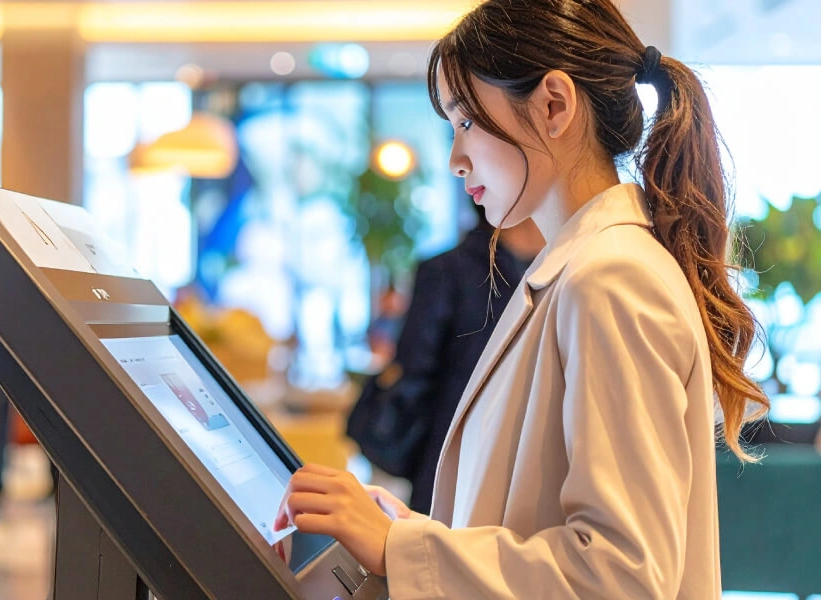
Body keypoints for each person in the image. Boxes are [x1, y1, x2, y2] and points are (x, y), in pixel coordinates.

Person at [275, 1, 769, 597]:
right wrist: (414, 534)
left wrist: (401, 548)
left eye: (464, 121)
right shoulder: (578, 268)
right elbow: (536, 521)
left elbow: (621, 577)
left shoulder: (611, 279)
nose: (456, 160)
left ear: (554, 105)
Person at [387, 207, 542, 514]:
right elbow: (413, 375)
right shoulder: (447, 270)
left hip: (529, 467)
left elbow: (412, 369)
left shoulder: (570, 268)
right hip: (452, 462)